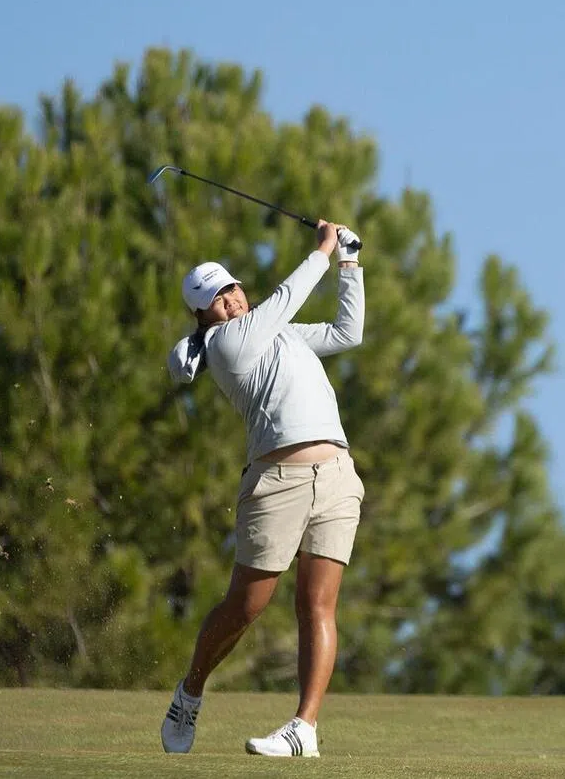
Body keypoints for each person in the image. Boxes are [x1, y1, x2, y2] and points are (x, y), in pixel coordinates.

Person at [160, 220, 365, 758]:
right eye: (216, 300)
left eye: (231, 289)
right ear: (203, 317)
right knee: (246, 606)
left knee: (317, 606)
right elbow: (286, 296)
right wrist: (322, 248)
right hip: (277, 483)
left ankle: (305, 729)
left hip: (337, 476)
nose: (229, 301)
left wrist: (349, 264)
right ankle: (191, 691)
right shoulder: (227, 344)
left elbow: (349, 332)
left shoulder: (283, 334)